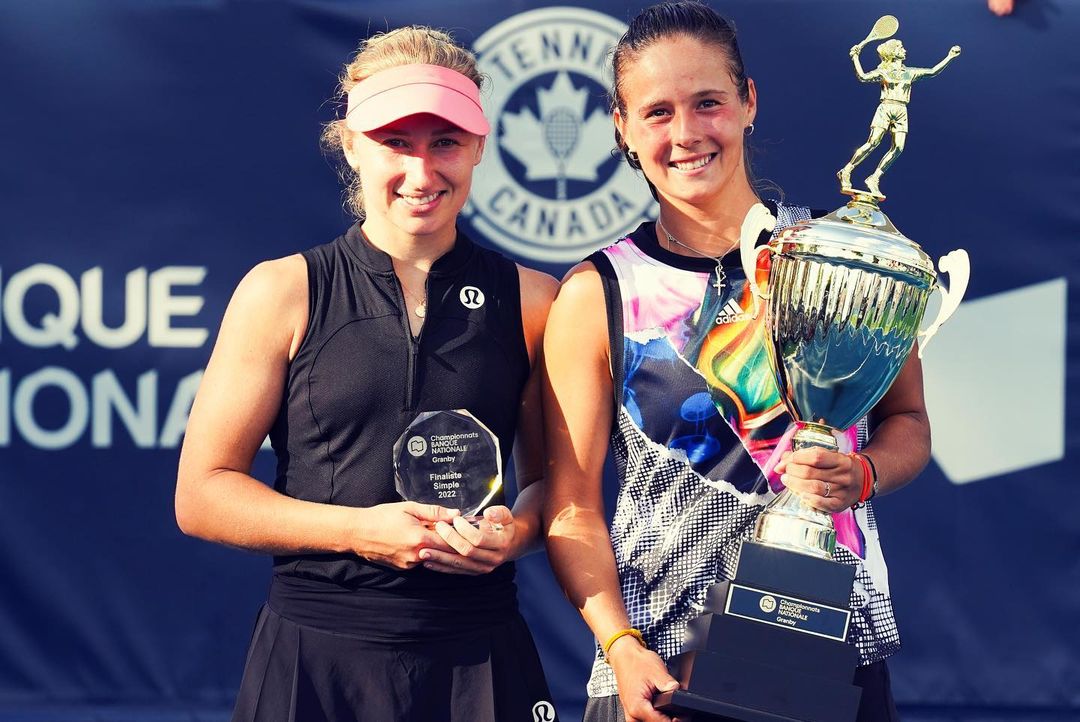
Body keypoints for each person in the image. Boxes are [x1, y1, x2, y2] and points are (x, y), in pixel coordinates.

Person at [541, 3, 930, 721]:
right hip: (659, 671)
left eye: (708, 103)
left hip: (827, 653)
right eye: (657, 113)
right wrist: (621, 646)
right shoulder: (599, 291)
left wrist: (864, 473)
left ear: (748, 102)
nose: (686, 133)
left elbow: (907, 420)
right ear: (623, 129)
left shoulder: (841, 261)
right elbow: (572, 506)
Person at [175, 26, 559, 722]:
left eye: (445, 143)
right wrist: (355, 531)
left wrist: (515, 533)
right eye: (395, 142)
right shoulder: (282, 291)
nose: (422, 172)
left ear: (479, 146)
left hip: (478, 653)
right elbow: (202, 495)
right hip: (315, 658)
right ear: (351, 145)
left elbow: (552, 488)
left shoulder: (534, 300)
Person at [838, 37, 961, 197]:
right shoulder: (883, 72)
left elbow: (932, 71)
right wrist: (855, 57)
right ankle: (847, 170)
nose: (904, 50)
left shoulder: (910, 72)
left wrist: (949, 57)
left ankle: (874, 178)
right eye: (900, 48)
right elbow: (863, 77)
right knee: (873, 142)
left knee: (898, 148)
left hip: (901, 110)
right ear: (892, 52)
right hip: (886, 107)